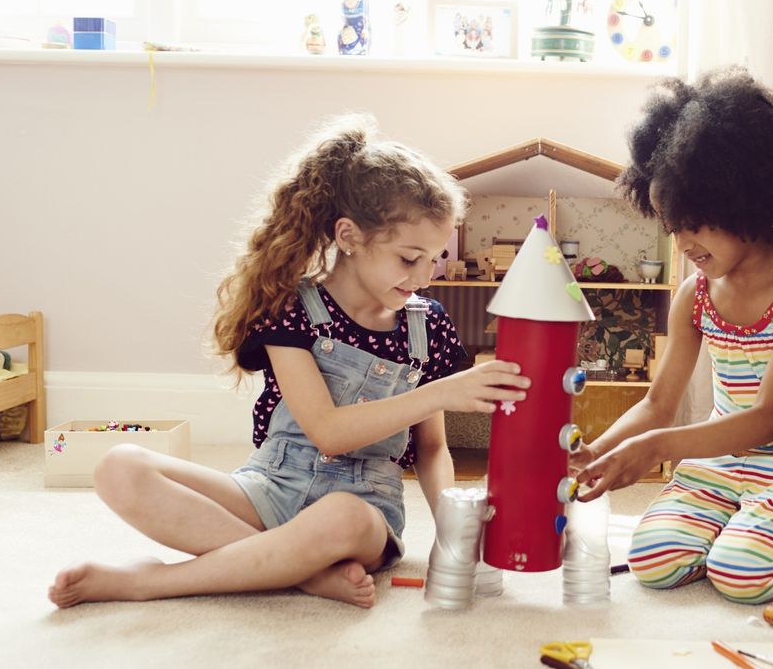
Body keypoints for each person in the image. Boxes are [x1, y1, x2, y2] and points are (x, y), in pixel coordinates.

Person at [48, 114, 529, 609]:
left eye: (435, 258)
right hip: (270, 487)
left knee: (341, 516)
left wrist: (452, 534)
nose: (425, 277)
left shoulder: (428, 325)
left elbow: (431, 450)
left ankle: (151, 582)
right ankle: (304, 572)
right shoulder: (293, 308)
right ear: (349, 236)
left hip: (362, 509)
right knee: (120, 467)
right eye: (409, 259)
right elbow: (327, 431)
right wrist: (443, 391)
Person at [571, 66, 773, 605]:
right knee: (653, 562)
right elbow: (658, 404)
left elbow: (766, 419)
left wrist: (655, 448)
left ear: (742, 201)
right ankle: (740, 526)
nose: (683, 243)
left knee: (741, 575)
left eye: (695, 223)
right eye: (672, 226)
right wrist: (597, 452)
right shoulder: (696, 295)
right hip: (724, 464)